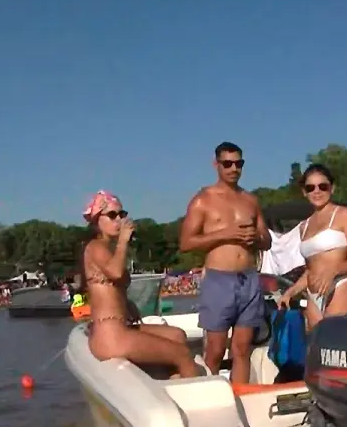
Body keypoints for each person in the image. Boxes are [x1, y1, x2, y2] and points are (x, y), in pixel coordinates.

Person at [179, 142, 271, 382]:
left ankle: (240, 397)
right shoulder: (203, 200)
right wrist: (225, 234)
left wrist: (255, 237)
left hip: (248, 279)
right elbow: (186, 242)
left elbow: (267, 240)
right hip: (219, 279)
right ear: (216, 165)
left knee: (242, 349)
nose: (233, 169)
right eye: (227, 164)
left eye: (238, 163)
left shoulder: (250, 200)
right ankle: (209, 398)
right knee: (215, 350)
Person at [81, 190, 198, 378]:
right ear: (97, 221)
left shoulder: (109, 249)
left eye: (122, 214)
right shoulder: (95, 247)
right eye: (112, 215)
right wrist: (123, 241)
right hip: (110, 335)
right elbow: (116, 273)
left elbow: (110, 287)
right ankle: (192, 395)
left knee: (177, 336)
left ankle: (173, 384)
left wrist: (126, 304)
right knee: (182, 354)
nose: (119, 219)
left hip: (120, 327)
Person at [278, 164, 347, 328]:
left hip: (338, 287)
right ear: (304, 192)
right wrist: (291, 291)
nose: (317, 191)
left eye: (322, 186)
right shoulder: (304, 226)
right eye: (310, 188)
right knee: (314, 343)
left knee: (334, 340)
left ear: (332, 188)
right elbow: (310, 270)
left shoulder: (344, 214)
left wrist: (334, 271)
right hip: (312, 295)